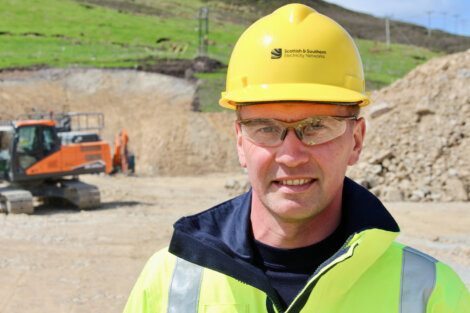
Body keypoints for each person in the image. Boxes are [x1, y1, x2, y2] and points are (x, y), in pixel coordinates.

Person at [123, 3, 469, 312]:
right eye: (266, 128)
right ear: (240, 141)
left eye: (317, 126)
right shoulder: (168, 281)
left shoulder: (430, 293)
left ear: (357, 140)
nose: (291, 155)